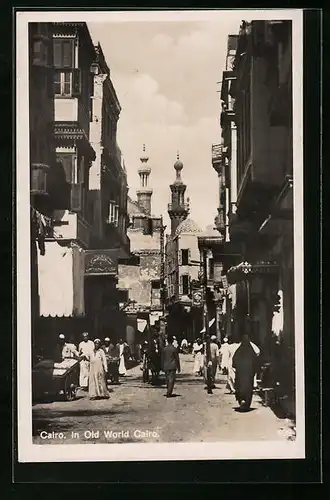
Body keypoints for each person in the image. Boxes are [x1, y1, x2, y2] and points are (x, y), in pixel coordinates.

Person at [232, 333, 259, 411]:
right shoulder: (251, 352)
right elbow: (256, 362)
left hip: (240, 375)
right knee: (248, 388)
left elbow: (234, 361)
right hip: (249, 375)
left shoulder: (239, 351)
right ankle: (246, 403)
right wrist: (253, 371)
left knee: (240, 387)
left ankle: (241, 401)